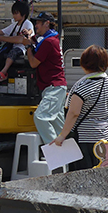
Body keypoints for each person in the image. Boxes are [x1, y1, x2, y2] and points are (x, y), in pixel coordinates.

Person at [53, 45, 108, 171]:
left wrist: (62, 135)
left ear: (84, 63)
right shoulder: (107, 80)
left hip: (85, 139)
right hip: (104, 135)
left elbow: (74, 112)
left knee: (82, 176)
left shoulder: (84, 86)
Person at [21, 11, 65, 144]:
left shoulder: (48, 42)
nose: (36, 26)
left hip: (54, 87)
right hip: (56, 87)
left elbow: (33, 63)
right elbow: (24, 39)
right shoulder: (47, 39)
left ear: (47, 24)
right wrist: (0, 37)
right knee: (59, 126)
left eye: (38, 23)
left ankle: (54, 151)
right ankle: (66, 159)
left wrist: (28, 47)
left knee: (40, 117)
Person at [0, 0, 33, 82]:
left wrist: (28, 32)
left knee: (12, 53)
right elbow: (3, 31)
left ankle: (3, 72)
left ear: (23, 14)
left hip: (23, 48)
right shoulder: (14, 25)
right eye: (13, 13)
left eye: (16, 13)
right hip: (13, 45)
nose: (14, 16)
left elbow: (30, 31)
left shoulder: (27, 23)